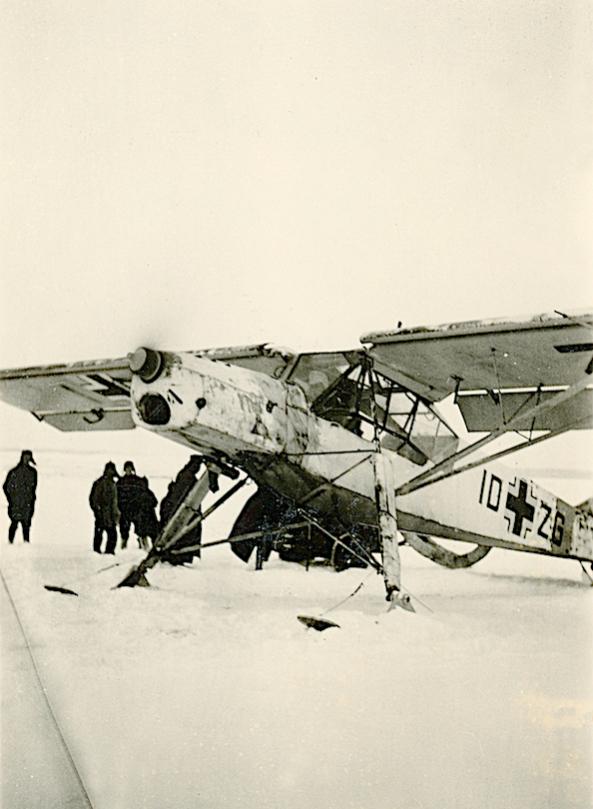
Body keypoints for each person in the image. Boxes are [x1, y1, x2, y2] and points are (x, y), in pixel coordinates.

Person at [159, 455, 204, 565]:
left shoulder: (184, 476)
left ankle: (174, 556)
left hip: (178, 513)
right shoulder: (188, 479)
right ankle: (178, 557)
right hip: (182, 514)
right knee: (183, 536)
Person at [3, 450, 38, 544]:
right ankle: (10, 544)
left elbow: (33, 488)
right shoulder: (14, 472)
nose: (26, 459)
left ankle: (26, 544)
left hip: (27, 503)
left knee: (26, 525)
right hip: (16, 503)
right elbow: (6, 487)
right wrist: (11, 499)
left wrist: (31, 499)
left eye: (28, 457)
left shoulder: (33, 472)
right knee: (14, 523)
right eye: (25, 457)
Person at [89, 462, 119, 554]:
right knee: (104, 534)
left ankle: (108, 552)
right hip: (102, 513)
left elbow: (114, 502)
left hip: (110, 514)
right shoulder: (100, 483)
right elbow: (94, 499)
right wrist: (97, 510)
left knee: (111, 535)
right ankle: (99, 552)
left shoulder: (112, 483)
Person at [116, 460, 144, 549]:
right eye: (127, 469)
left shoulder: (137, 481)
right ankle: (123, 546)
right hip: (124, 510)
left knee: (140, 530)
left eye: (130, 468)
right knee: (124, 531)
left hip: (135, 509)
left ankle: (142, 545)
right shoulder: (120, 482)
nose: (128, 470)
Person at [134, 477, 159, 550]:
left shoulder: (138, 493)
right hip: (149, 516)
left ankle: (146, 548)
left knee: (144, 534)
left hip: (144, 517)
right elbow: (155, 502)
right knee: (151, 534)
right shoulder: (149, 493)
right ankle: (152, 548)